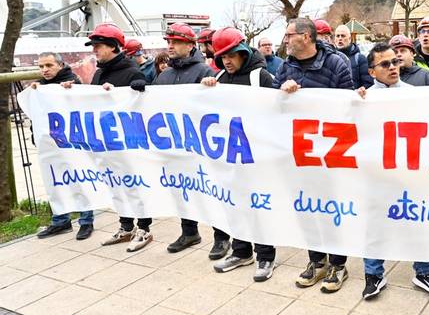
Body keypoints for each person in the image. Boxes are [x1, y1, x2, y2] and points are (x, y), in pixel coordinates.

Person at [356, 43, 429, 300]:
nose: (393, 67)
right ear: (372, 72)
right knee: (375, 225)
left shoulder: (414, 94)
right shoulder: (363, 98)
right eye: (385, 64)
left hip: (410, 171)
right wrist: (355, 103)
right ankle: (373, 275)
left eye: (395, 62)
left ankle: (424, 272)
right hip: (377, 174)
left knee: (418, 221)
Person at [274, 18, 353, 293]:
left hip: (330, 152)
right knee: (307, 208)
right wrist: (283, 94)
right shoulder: (286, 66)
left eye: (289, 35)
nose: (285, 40)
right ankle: (316, 261)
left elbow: (347, 107)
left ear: (306, 37)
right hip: (300, 152)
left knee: (332, 210)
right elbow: (273, 106)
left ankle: (338, 264)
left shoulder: (337, 64)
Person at [61, 24, 152, 251]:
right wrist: (73, 91)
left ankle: (144, 227)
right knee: (116, 184)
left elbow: (144, 105)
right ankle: (126, 225)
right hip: (106, 141)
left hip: (128, 143)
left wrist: (138, 88)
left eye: (98, 46)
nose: (95, 50)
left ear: (113, 46)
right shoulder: (100, 72)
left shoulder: (132, 72)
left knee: (135, 185)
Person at [198, 27, 278, 282]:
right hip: (230, 157)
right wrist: (205, 90)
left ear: (242, 52)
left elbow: (279, 112)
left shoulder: (261, 77)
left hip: (258, 157)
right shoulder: (219, 77)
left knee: (258, 207)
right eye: (222, 57)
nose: (227, 61)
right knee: (234, 205)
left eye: (231, 55)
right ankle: (241, 251)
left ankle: (266, 255)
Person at [153, 23, 224, 258]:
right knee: (182, 189)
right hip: (174, 144)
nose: (170, 46)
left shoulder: (205, 72)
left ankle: (221, 237)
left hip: (200, 146)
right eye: (168, 42)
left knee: (210, 190)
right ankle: (189, 231)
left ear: (190, 45)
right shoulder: (164, 75)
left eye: (175, 42)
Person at [32, 52, 94, 241]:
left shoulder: (72, 82)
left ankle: (86, 221)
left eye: (49, 65)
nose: (44, 70)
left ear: (60, 65)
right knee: (54, 180)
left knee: (79, 179)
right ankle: (60, 220)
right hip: (51, 144)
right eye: (41, 66)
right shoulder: (41, 85)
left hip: (72, 142)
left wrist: (71, 91)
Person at [335, 24, 373, 89]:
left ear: (349, 39)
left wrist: (361, 90)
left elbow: (368, 83)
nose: (340, 38)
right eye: (337, 36)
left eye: (343, 36)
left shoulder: (360, 59)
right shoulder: (330, 58)